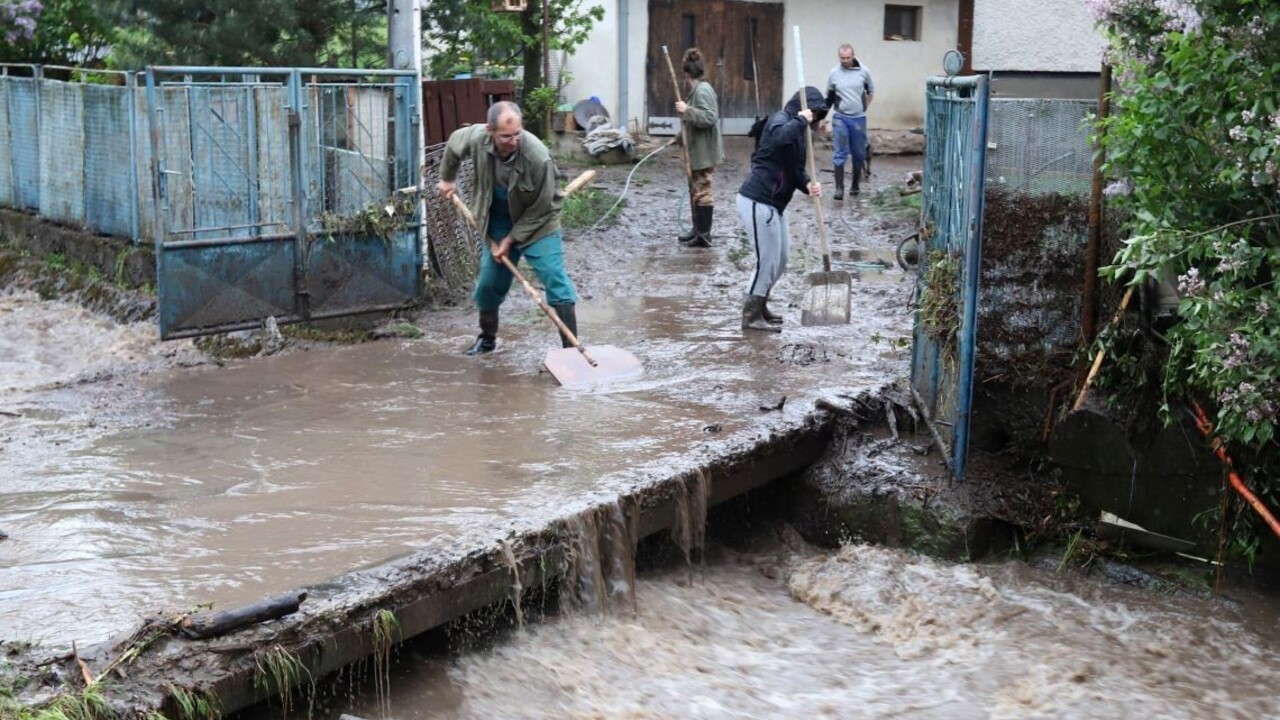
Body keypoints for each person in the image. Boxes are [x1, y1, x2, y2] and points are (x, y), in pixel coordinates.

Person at [437, 101, 578, 355]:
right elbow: (454, 144)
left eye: (517, 134)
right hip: (498, 219)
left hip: (539, 221)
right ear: (490, 130)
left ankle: (571, 350)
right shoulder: (476, 137)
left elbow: (543, 207)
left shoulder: (537, 157)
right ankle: (487, 339)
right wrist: (447, 178)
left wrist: (512, 239)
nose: (513, 141)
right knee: (488, 284)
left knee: (555, 280)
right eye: (506, 136)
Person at [735, 87, 827, 332]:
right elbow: (778, 137)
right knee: (766, 261)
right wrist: (801, 119)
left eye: (818, 115)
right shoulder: (781, 120)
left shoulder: (799, 133)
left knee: (781, 259)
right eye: (814, 113)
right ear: (803, 108)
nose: (816, 119)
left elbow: (795, 169)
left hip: (776, 204)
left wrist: (808, 184)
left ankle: (762, 304)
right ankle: (750, 315)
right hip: (757, 200)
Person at [674, 47, 724, 247]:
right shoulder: (696, 91)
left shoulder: (702, 90)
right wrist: (678, 138)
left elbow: (709, 117)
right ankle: (697, 230)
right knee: (695, 190)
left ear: (686, 73)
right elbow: (692, 122)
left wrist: (688, 110)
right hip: (696, 150)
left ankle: (704, 235)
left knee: (703, 191)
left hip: (704, 152)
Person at [824, 43, 875, 200]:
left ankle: (855, 185)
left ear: (853, 56)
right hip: (840, 117)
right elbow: (829, 98)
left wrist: (864, 106)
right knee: (840, 152)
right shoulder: (834, 74)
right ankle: (839, 188)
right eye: (842, 58)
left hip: (858, 118)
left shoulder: (864, 72)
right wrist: (822, 118)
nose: (845, 61)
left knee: (859, 153)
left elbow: (871, 91)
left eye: (847, 58)